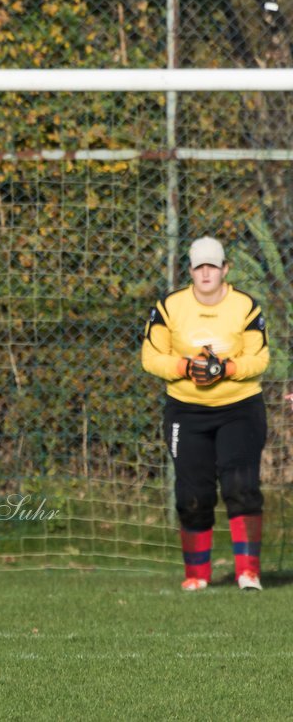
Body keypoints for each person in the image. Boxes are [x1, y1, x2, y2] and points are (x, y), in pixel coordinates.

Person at [140, 237, 269, 592]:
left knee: (241, 487)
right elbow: (150, 358)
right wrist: (185, 366)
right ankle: (197, 574)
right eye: (200, 266)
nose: (206, 272)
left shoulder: (245, 306)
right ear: (191, 271)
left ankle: (248, 572)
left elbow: (260, 359)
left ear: (225, 269)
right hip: (186, 411)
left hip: (239, 408)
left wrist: (226, 369)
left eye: (213, 265)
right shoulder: (169, 306)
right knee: (191, 495)